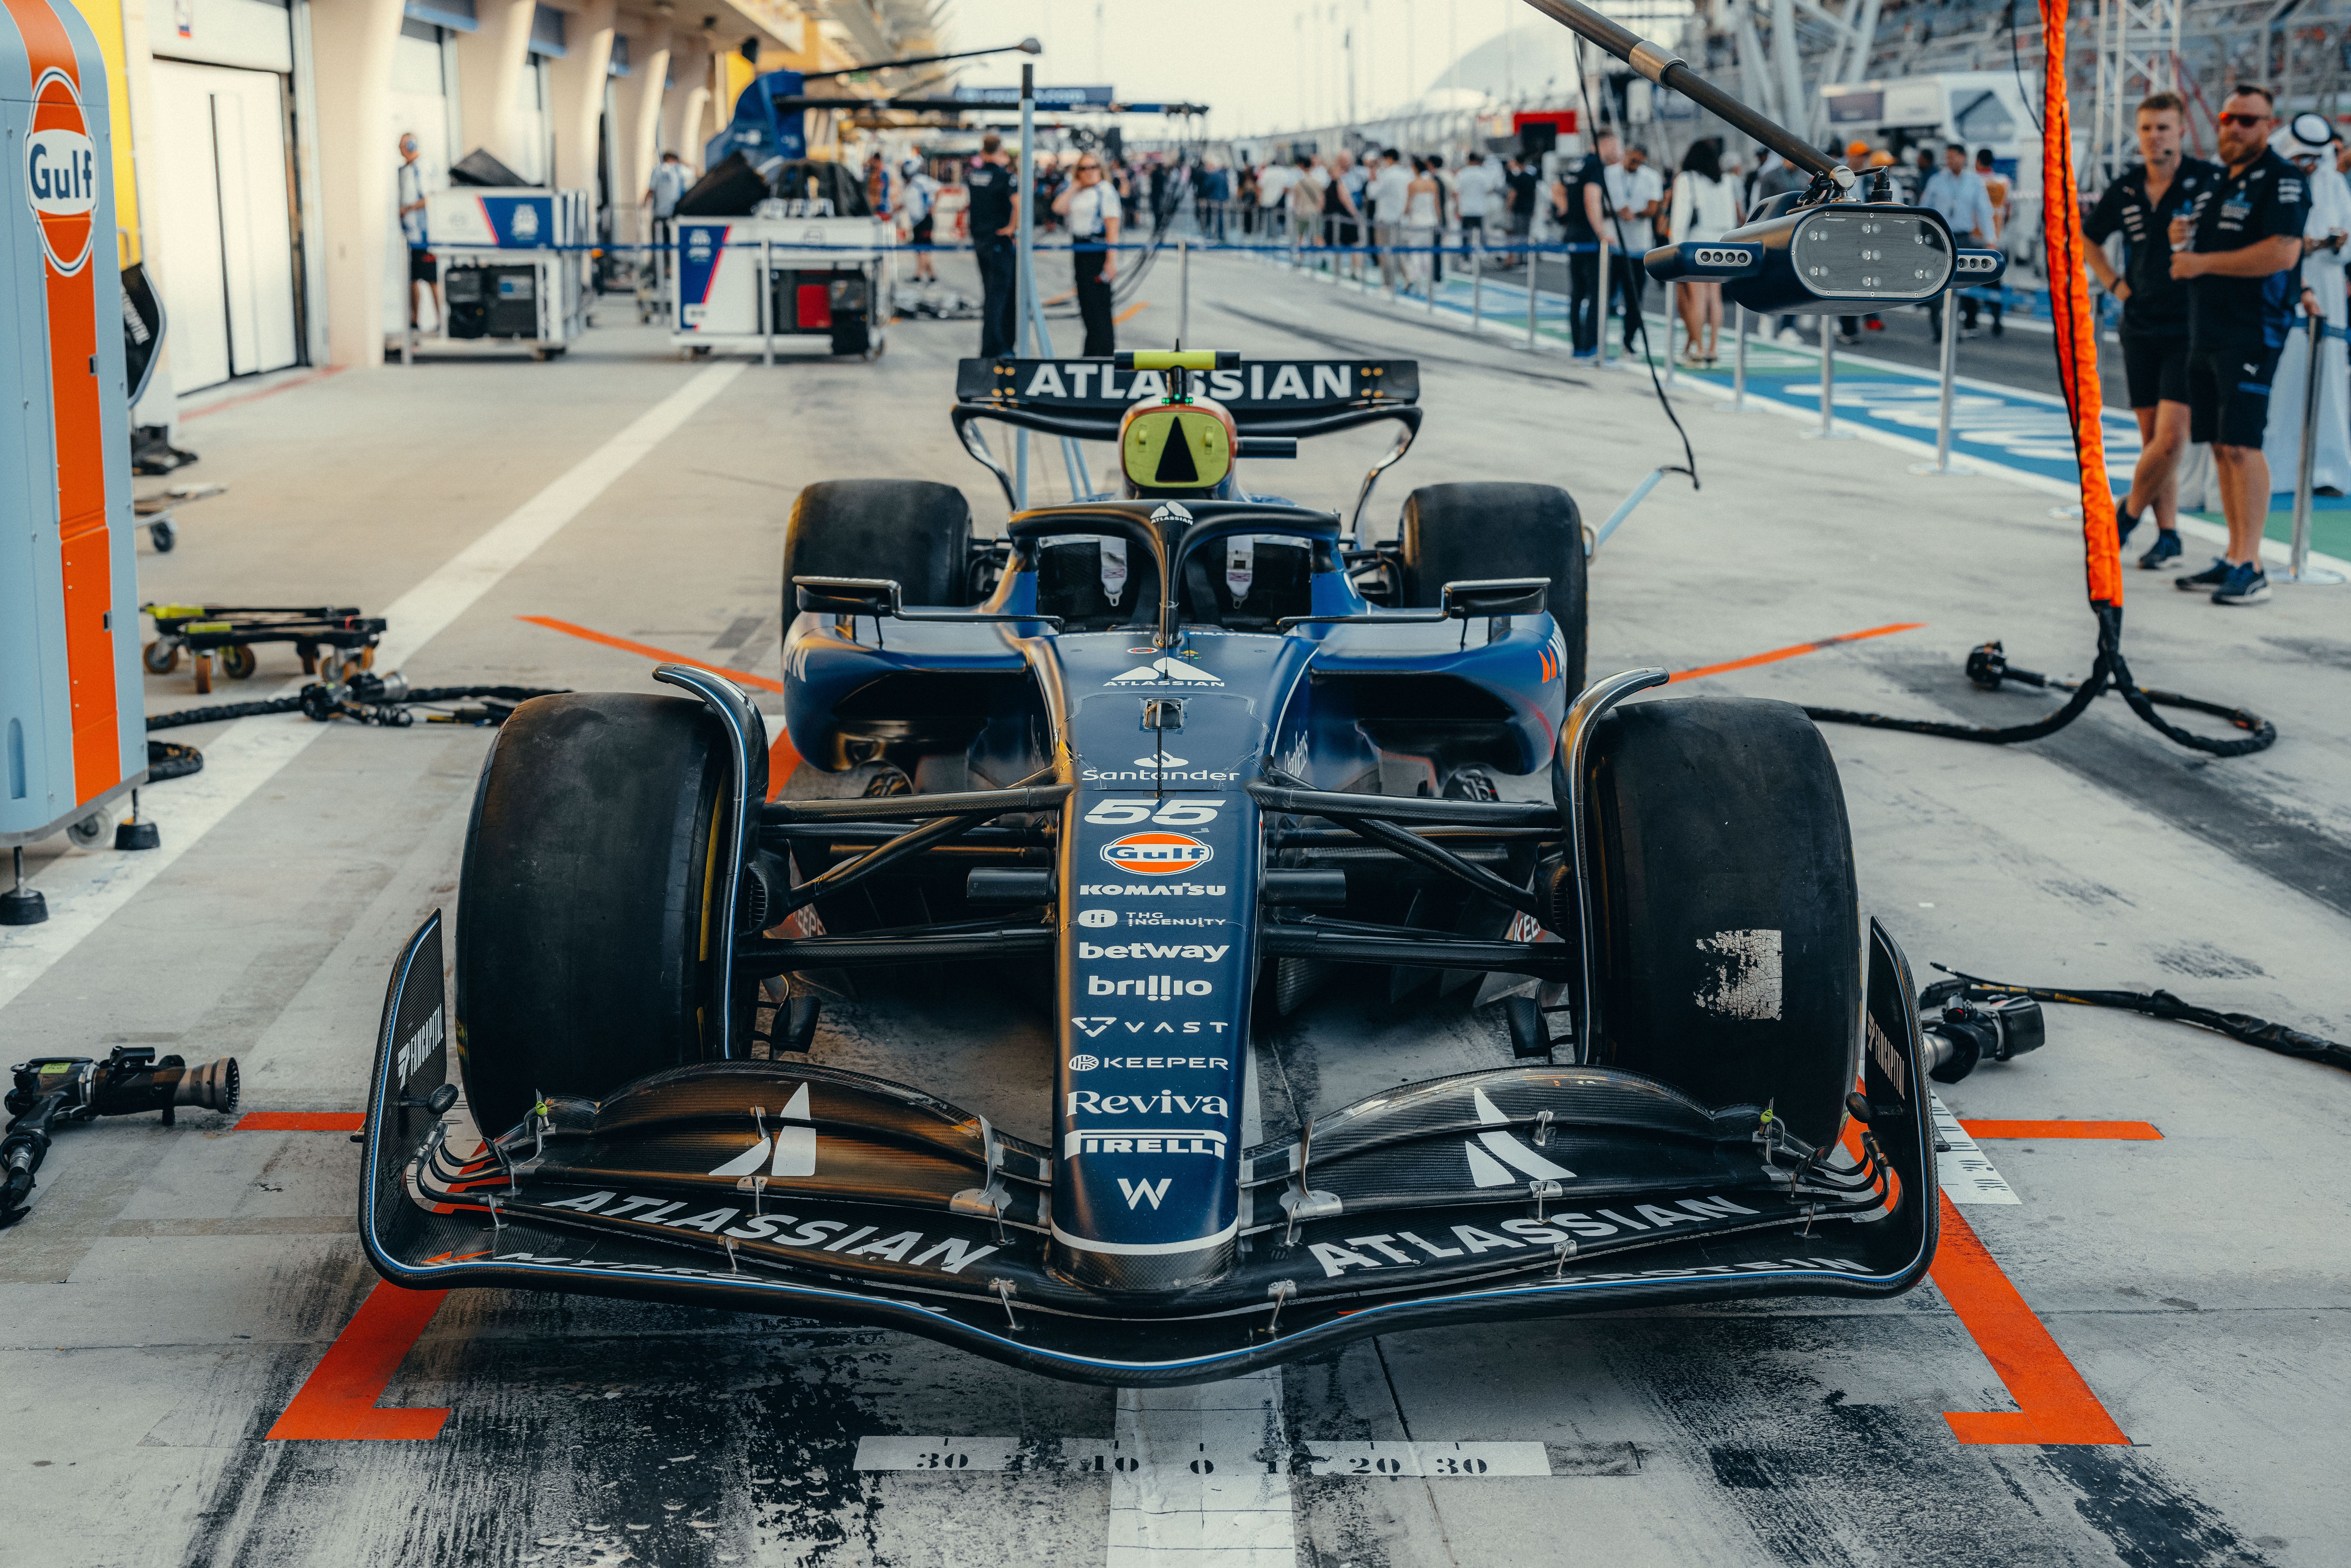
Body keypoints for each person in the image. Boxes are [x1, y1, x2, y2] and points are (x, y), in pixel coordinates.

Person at [2168, 84, 2311, 606]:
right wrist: (2182, 244)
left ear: (2270, 126)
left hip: (2253, 329)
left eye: (2248, 120)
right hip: (2207, 330)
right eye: (2228, 118)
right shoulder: (2214, 185)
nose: (2234, 128)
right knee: (2223, 449)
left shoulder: (2284, 180)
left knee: (2243, 445)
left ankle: (2253, 565)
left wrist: (2201, 263)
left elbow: (2282, 253)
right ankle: (2233, 555)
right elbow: (2192, 251)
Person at [2083, 92, 2222, 568]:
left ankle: (2125, 516)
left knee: (2170, 440)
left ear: (2182, 130)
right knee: (2152, 442)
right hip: (2139, 323)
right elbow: (2088, 236)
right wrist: (2114, 284)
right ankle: (2169, 537)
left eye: (2163, 127)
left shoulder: (2208, 182)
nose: (2153, 136)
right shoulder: (2124, 188)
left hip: (2190, 324)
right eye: (2146, 128)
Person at [2262, 113, 2351, 500]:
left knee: (2327, 380)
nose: (2309, 167)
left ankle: (2327, 469)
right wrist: (2305, 247)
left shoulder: (2334, 186)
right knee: (2282, 378)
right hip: (2284, 290)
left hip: (2328, 292)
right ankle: (2274, 469)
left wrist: (2333, 244)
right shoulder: (2273, 182)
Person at [1668, 137, 1742, 365]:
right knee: (1715, 297)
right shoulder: (1726, 181)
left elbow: (1680, 218)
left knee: (1697, 298)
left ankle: (1698, 349)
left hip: (1696, 242)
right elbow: (1732, 217)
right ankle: (1713, 348)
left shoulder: (1687, 179)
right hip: (1721, 241)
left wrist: (1675, 248)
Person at [1922, 145, 1996, 340]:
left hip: (1964, 239)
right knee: (1937, 283)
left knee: (1965, 284)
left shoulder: (1974, 183)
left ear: (1964, 158)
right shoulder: (1937, 181)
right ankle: (1939, 330)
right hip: (1940, 238)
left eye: (1954, 157)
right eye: (1948, 157)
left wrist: (1991, 240)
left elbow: (1984, 212)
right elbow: (1923, 210)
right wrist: (1922, 238)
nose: (1950, 161)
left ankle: (1966, 325)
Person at [1554, 129, 1614, 358]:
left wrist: (1566, 210)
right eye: (1614, 145)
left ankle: (1578, 345)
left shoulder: (1575, 164)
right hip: (1588, 236)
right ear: (1605, 143)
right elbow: (1592, 196)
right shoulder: (1595, 166)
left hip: (1573, 232)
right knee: (1597, 293)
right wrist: (1601, 232)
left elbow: (1557, 188)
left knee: (1577, 292)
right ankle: (1591, 346)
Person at [1056, 151, 1122, 357]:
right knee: (1086, 305)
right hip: (1080, 250)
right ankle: (1092, 351)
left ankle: (1103, 353)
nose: (1089, 172)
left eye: (1093, 167)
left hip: (1097, 251)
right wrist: (1075, 187)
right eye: (1084, 168)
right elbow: (1058, 208)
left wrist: (1111, 262)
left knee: (1099, 307)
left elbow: (1113, 229)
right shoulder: (1079, 191)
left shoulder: (1106, 191)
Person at [967, 134, 1020, 359]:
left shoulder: (973, 176)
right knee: (1001, 297)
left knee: (990, 295)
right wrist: (1012, 228)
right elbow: (1018, 204)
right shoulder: (1005, 178)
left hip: (981, 241)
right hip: (1000, 242)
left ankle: (993, 345)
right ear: (1001, 151)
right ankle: (998, 346)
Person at [1606, 142, 1659, 351]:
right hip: (1613, 245)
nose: (1635, 165)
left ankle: (1629, 340)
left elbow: (1654, 208)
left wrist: (1635, 214)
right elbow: (1599, 201)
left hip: (1639, 247)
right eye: (1632, 160)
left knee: (1635, 298)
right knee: (1604, 294)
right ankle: (1594, 337)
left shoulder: (1651, 177)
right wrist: (1618, 212)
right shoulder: (1610, 173)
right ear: (1625, 155)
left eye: (1639, 162)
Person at [396, 133, 439, 333]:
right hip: (411, 237)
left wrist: (407, 209)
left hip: (423, 236)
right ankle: (415, 320)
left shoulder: (420, 169)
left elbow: (429, 199)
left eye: (403, 145)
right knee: (413, 279)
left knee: (431, 279)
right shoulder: (405, 170)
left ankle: (441, 320)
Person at [1974, 148, 2010, 337]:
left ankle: (1971, 322)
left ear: (1978, 162)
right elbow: (2010, 211)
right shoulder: (2004, 182)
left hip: (1976, 239)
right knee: (1995, 283)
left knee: (1970, 281)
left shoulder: (1973, 182)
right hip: (1998, 240)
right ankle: (1997, 321)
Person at [1370, 148, 1412, 289]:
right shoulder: (1408, 175)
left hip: (1386, 219)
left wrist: (1373, 175)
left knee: (1385, 253)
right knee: (1398, 251)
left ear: (1389, 159)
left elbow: (1372, 193)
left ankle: (1388, 284)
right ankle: (1408, 276)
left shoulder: (1387, 176)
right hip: (1402, 219)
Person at [1402, 156, 1441, 292]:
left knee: (1415, 251)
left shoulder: (1413, 184)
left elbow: (1408, 207)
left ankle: (1416, 281)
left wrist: (1404, 215)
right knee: (1428, 252)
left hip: (1417, 222)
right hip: (1431, 221)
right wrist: (1440, 221)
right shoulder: (1433, 184)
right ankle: (1429, 282)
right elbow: (1437, 206)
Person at [899, 154, 941, 282]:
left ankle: (918, 275)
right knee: (920, 249)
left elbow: (939, 189)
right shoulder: (909, 185)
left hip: (925, 221)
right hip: (917, 222)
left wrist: (933, 207)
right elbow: (904, 204)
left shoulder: (921, 181)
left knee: (924, 249)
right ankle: (932, 275)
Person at [1456, 150, 1502, 265]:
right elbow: (1489, 189)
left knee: (1466, 236)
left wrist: (1457, 208)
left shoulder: (1462, 173)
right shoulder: (1483, 173)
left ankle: (1466, 260)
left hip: (1465, 209)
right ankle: (1484, 255)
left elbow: (1457, 192)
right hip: (1479, 209)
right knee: (1481, 235)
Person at [1504, 153, 1539, 264]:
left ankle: (1520, 259)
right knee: (1526, 234)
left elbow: (1513, 194)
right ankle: (1525, 258)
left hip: (1519, 209)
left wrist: (1508, 208)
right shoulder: (1531, 177)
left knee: (1518, 235)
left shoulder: (1518, 178)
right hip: (1528, 209)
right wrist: (1533, 208)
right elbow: (1535, 194)